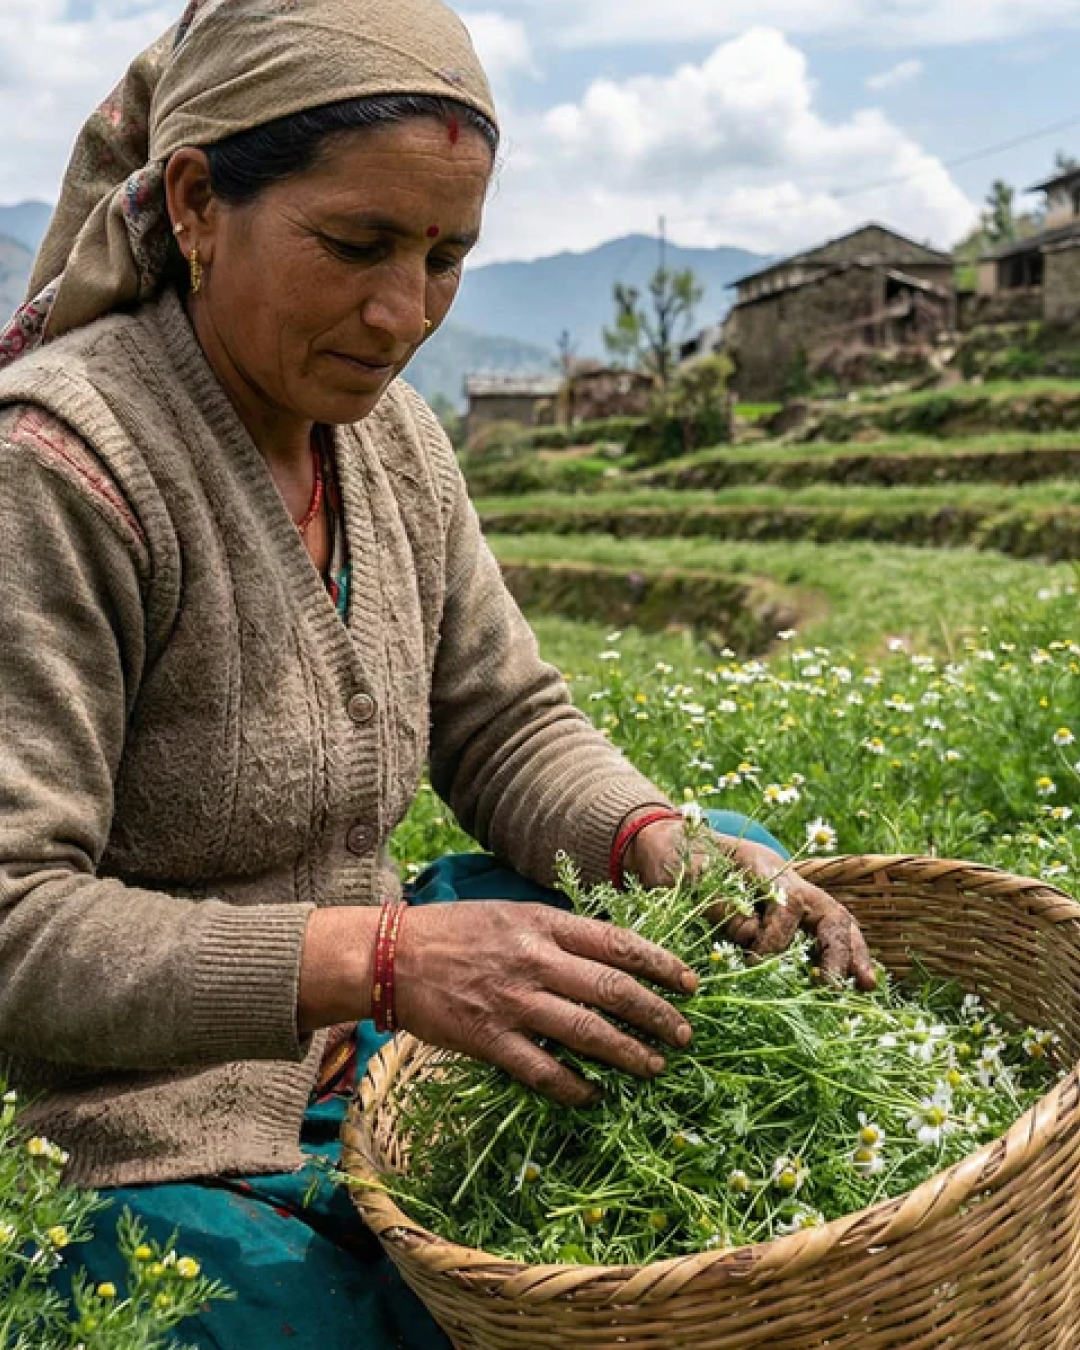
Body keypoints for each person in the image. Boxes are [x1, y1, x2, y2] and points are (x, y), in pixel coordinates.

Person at [0, 0, 874, 1344]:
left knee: (717, 879)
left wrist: (660, 839)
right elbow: (18, 924)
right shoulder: (65, 470)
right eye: (355, 245)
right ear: (195, 204)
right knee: (319, 1322)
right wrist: (385, 958)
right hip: (128, 1116)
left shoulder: (392, 442)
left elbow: (506, 721)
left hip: (358, 1031)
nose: (402, 311)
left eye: (448, 259)